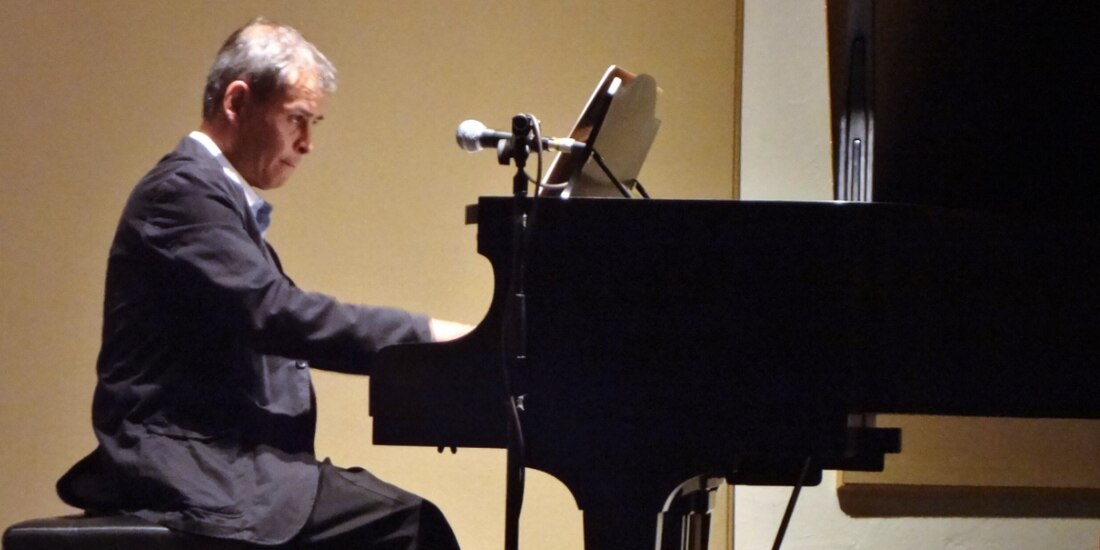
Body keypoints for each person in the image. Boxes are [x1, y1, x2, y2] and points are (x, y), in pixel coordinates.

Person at [56, 17, 467, 549]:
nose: (307, 143)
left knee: (394, 515)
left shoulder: (208, 197)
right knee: (413, 529)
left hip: (226, 458)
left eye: (314, 122)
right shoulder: (180, 193)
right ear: (237, 102)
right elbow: (277, 314)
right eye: (297, 119)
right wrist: (429, 337)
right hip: (195, 465)